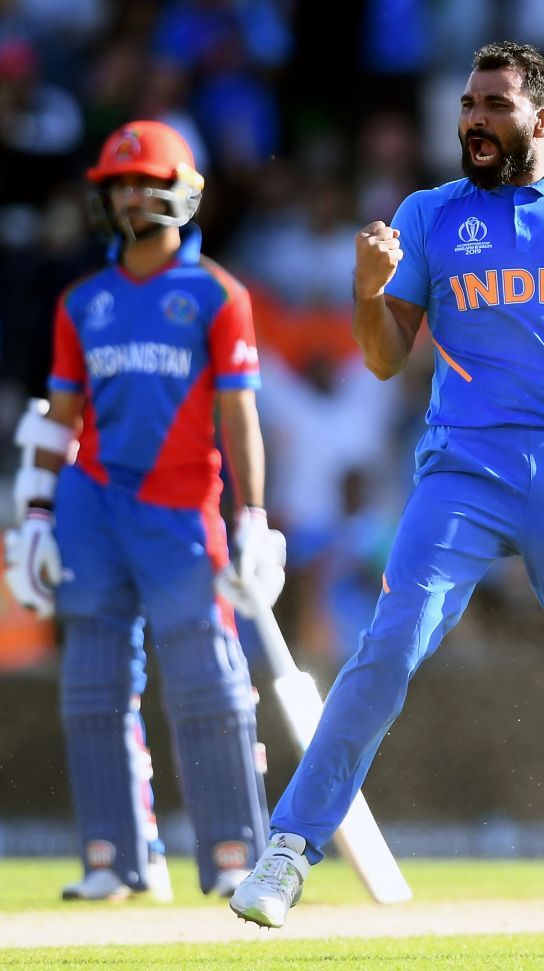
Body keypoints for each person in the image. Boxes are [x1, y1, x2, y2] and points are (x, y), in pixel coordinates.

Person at [230, 41, 544, 958]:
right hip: (465, 468)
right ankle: (288, 847)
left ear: (543, 120)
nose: (474, 120)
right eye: (469, 104)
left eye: (494, 104)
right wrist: (370, 292)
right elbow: (379, 354)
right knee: (388, 649)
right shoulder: (428, 213)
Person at [3, 120, 287, 902]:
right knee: (92, 680)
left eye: (144, 181)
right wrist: (32, 514)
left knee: (209, 685)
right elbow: (58, 416)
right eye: (118, 184)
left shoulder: (216, 295)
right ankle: (117, 858)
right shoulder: (82, 301)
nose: (130, 195)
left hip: (178, 508)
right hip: (90, 503)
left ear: (181, 190)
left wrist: (254, 515)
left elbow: (241, 419)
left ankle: (235, 853)